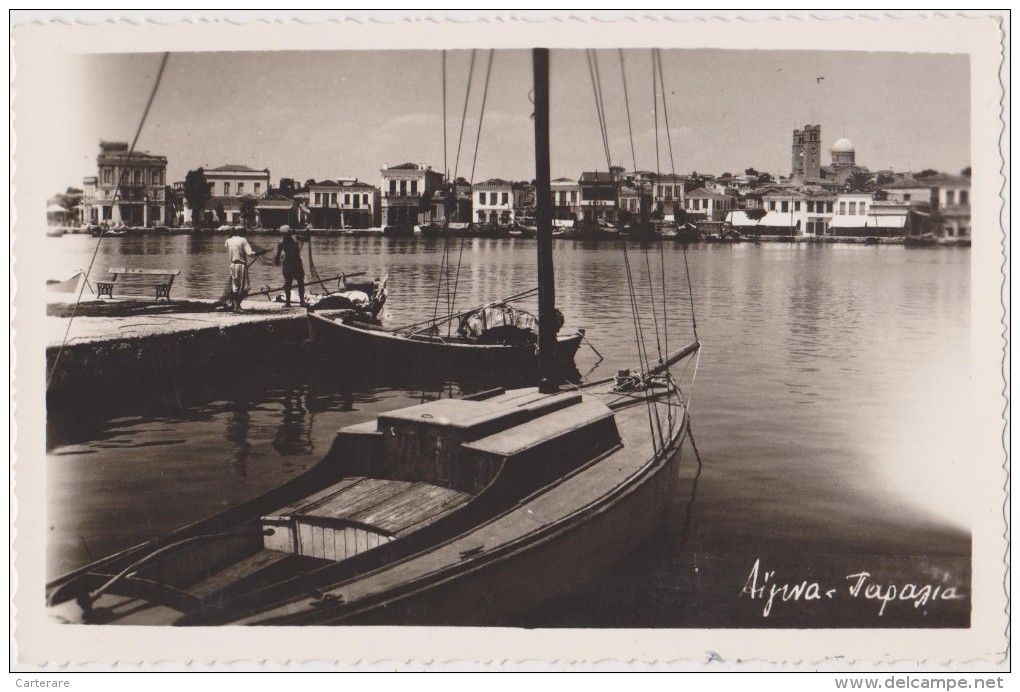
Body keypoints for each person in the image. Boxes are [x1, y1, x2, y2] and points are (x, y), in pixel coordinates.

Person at [224, 228, 257, 313]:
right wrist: (258, 253)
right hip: (241, 266)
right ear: (239, 232)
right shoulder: (243, 240)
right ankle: (237, 306)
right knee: (243, 287)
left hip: (232, 265)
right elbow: (249, 253)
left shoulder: (228, 240)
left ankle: (235, 306)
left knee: (235, 286)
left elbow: (227, 245)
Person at [273, 225, 306, 307]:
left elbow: (306, 239)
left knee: (300, 282)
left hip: (296, 262)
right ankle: (288, 302)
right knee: (288, 283)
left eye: (286, 234)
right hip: (289, 262)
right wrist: (277, 260)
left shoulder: (295, 238)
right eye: (284, 234)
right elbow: (278, 254)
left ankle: (301, 301)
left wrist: (307, 233)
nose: (285, 235)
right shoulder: (282, 242)